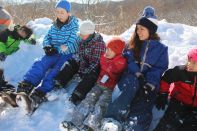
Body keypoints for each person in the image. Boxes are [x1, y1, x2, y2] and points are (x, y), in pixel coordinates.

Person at [101, 6, 169, 131]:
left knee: (145, 99)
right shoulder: (132, 44)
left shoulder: (161, 49)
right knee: (128, 85)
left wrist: (150, 82)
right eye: (137, 29)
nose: (138, 32)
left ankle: (134, 127)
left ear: (151, 30)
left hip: (149, 82)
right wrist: (137, 73)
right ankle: (112, 120)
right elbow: (128, 59)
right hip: (131, 77)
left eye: (142, 29)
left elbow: (159, 68)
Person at [15, 0, 79, 113]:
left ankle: (40, 93)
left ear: (68, 13)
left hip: (67, 54)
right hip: (53, 52)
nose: (59, 14)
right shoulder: (54, 25)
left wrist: (58, 48)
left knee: (56, 71)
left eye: (62, 12)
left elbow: (71, 42)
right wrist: (47, 46)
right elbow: (47, 37)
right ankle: (27, 85)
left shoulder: (74, 26)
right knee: (41, 63)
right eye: (57, 12)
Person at [59, 38, 127, 131]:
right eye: (107, 49)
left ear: (117, 52)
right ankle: (75, 121)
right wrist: (106, 59)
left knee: (101, 104)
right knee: (88, 100)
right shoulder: (104, 57)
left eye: (111, 50)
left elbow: (115, 69)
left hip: (110, 88)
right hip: (98, 84)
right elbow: (101, 63)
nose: (107, 52)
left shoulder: (121, 61)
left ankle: (92, 125)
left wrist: (109, 61)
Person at [56, 20, 105, 105]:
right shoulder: (83, 40)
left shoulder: (99, 45)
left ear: (90, 34)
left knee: (91, 76)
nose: (80, 36)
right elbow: (79, 53)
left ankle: (77, 94)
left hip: (92, 68)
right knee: (71, 62)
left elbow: (95, 64)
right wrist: (76, 61)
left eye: (82, 34)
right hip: (83, 63)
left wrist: (83, 72)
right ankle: (59, 82)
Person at [154, 48, 197, 131]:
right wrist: (163, 93)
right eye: (189, 60)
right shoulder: (180, 71)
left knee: (191, 126)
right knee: (169, 123)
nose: (189, 64)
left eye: (194, 62)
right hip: (179, 101)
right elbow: (166, 79)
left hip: (195, 107)